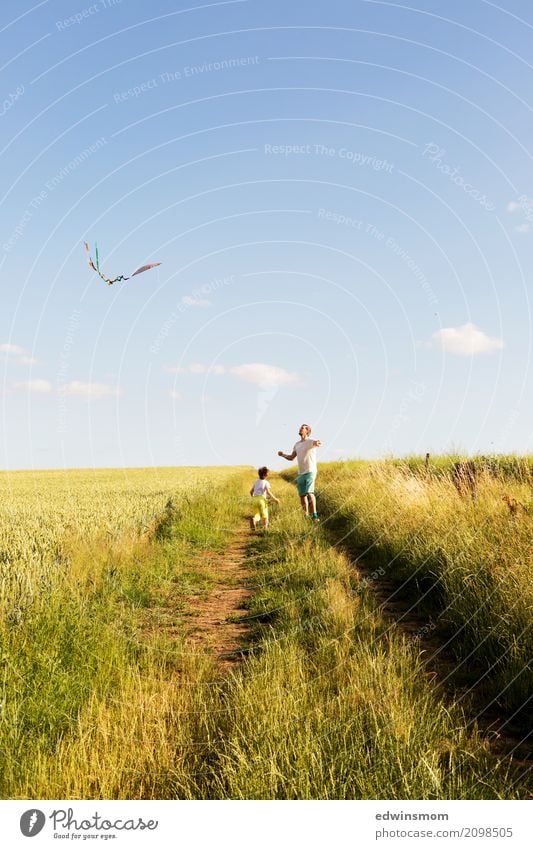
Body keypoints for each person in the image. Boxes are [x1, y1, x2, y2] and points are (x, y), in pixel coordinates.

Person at [278, 424, 322, 519]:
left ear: (307, 431)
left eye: (302, 428)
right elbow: (291, 457)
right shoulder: (297, 444)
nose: (300, 429)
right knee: (302, 495)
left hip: (310, 470)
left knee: (310, 492)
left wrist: (318, 442)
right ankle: (306, 515)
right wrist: (283, 455)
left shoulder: (310, 441)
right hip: (301, 473)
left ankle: (314, 514)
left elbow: (316, 443)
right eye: (300, 428)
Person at [249, 466, 280, 531]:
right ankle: (265, 529)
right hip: (262, 500)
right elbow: (268, 492)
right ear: (265, 474)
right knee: (265, 516)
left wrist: (253, 497)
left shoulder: (256, 481)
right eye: (267, 473)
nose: (268, 474)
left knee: (257, 514)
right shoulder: (266, 482)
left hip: (254, 499)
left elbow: (251, 491)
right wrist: (275, 499)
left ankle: (254, 520)